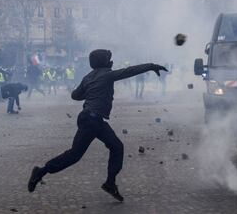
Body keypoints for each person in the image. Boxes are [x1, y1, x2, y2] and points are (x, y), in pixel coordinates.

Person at [27, 49, 167, 202]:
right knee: (74, 155)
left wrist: (91, 90)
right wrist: (152, 66)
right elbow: (130, 71)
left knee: (117, 147)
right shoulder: (107, 74)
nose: (111, 61)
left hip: (94, 120)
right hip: (91, 121)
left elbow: (75, 95)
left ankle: (110, 183)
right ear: (103, 61)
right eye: (108, 59)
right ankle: (41, 171)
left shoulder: (88, 77)